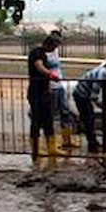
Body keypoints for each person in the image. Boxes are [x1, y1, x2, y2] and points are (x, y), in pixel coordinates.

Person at [70, 63, 106, 154]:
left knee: (90, 119)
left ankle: (93, 143)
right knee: (88, 120)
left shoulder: (104, 73)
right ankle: (92, 146)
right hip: (81, 95)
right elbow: (94, 97)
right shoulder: (101, 76)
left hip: (85, 95)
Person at [27, 34, 63, 165]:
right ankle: (35, 149)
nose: (54, 49)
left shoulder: (44, 54)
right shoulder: (37, 53)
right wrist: (50, 74)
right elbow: (39, 66)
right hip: (35, 92)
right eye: (54, 46)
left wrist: (48, 87)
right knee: (36, 120)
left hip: (44, 92)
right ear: (48, 44)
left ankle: (51, 147)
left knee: (48, 119)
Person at [44, 30, 77, 150]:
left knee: (65, 112)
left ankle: (66, 140)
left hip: (59, 85)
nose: (57, 45)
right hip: (51, 87)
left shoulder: (55, 51)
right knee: (51, 115)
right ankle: (51, 143)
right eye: (56, 43)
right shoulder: (44, 54)